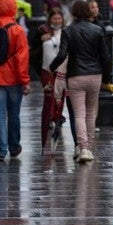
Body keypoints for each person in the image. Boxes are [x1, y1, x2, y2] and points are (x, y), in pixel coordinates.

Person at [49, 0, 110, 163]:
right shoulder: (97, 30)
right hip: (95, 76)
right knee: (91, 113)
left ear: (73, 13)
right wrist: (107, 77)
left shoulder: (68, 31)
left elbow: (62, 55)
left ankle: (82, 147)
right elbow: (105, 56)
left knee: (79, 114)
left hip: (76, 76)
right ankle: (88, 148)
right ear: (88, 12)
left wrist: (52, 67)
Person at [0, 0, 31, 162]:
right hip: (14, 78)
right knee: (14, 113)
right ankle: (14, 146)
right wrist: (25, 81)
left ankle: (1, 149)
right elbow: (22, 58)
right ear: (13, 8)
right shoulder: (18, 30)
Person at [34, 8, 68, 145]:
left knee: (60, 95)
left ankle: (58, 117)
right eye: (54, 18)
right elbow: (32, 46)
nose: (57, 21)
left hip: (62, 69)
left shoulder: (66, 32)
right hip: (46, 69)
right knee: (49, 93)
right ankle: (49, 117)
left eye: (59, 18)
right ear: (50, 19)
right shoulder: (43, 30)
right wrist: (40, 39)